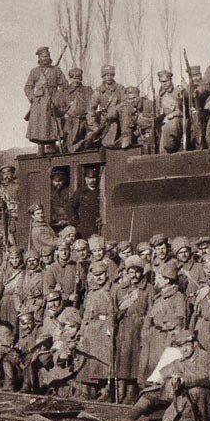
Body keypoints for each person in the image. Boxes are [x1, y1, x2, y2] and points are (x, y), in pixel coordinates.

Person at [125, 330, 210, 421]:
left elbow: (206, 377)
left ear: (195, 344)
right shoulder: (181, 360)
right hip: (182, 396)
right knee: (153, 394)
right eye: (181, 346)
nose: (184, 349)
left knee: (197, 391)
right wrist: (166, 381)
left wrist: (184, 380)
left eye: (187, 345)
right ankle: (131, 416)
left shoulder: (204, 357)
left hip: (200, 397)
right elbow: (163, 373)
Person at [112, 255, 154, 403]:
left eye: (137, 271)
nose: (134, 275)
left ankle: (131, 392)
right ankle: (120, 392)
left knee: (135, 360)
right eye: (131, 272)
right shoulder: (120, 289)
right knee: (122, 360)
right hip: (124, 328)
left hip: (139, 329)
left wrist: (144, 323)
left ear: (142, 272)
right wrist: (119, 313)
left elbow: (151, 310)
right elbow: (114, 309)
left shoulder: (148, 289)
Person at [138, 262, 187, 387]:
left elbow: (180, 319)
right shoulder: (158, 297)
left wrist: (164, 325)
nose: (156, 280)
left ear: (167, 280)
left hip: (166, 337)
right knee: (149, 369)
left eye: (159, 278)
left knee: (162, 369)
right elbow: (149, 316)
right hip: (153, 337)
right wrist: (146, 331)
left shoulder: (178, 297)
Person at [77, 261, 115, 401]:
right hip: (91, 329)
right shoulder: (91, 293)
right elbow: (86, 315)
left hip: (105, 327)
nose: (99, 277)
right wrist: (82, 332)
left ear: (107, 274)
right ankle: (89, 389)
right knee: (87, 358)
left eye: (101, 274)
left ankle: (106, 390)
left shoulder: (112, 290)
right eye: (96, 275)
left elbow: (114, 311)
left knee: (104, 359)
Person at [24, 46, 68, 156]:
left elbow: (64, 85)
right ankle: (40, 149)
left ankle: (52, 148)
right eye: (43, 57)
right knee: (39, 127)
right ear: (39, 58)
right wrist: (33, 98)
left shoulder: (56, 70)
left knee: (52, 126)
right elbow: (28, 87)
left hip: (52, 102)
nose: (45, 58)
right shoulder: (34, 72)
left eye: (47, 56)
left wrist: (57, 97)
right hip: (38, 104)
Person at [86, 65, 126, 148]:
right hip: (105, 121)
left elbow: (125, 103)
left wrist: (116, 110)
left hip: (120, 119)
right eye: (106, 75)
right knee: (101, 141)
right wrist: (93, 125)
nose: (109, 77)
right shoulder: (98, 91)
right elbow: (91, 109)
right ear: (103, 76)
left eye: (111, 75)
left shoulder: (120, 88)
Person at [57, 67, 93, 152]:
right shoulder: (64, 92)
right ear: (70, 79)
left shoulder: (88, 91)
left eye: (78, 78)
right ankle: (72, 146)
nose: (76, 81)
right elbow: (60, 109)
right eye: (74, 78)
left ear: (81, 78)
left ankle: (85, 145)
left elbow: (93, 105)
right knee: (70, 134)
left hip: (85, 120)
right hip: (70, 121)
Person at [69, 166, 101, 239]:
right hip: (84, 227)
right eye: (89, 178)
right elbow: (70, 207)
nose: (92, 180)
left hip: (97, 225)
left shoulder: (100, 192)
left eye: (94, 178)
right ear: (85, 179)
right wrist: (76, 222)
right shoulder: (80, 192)